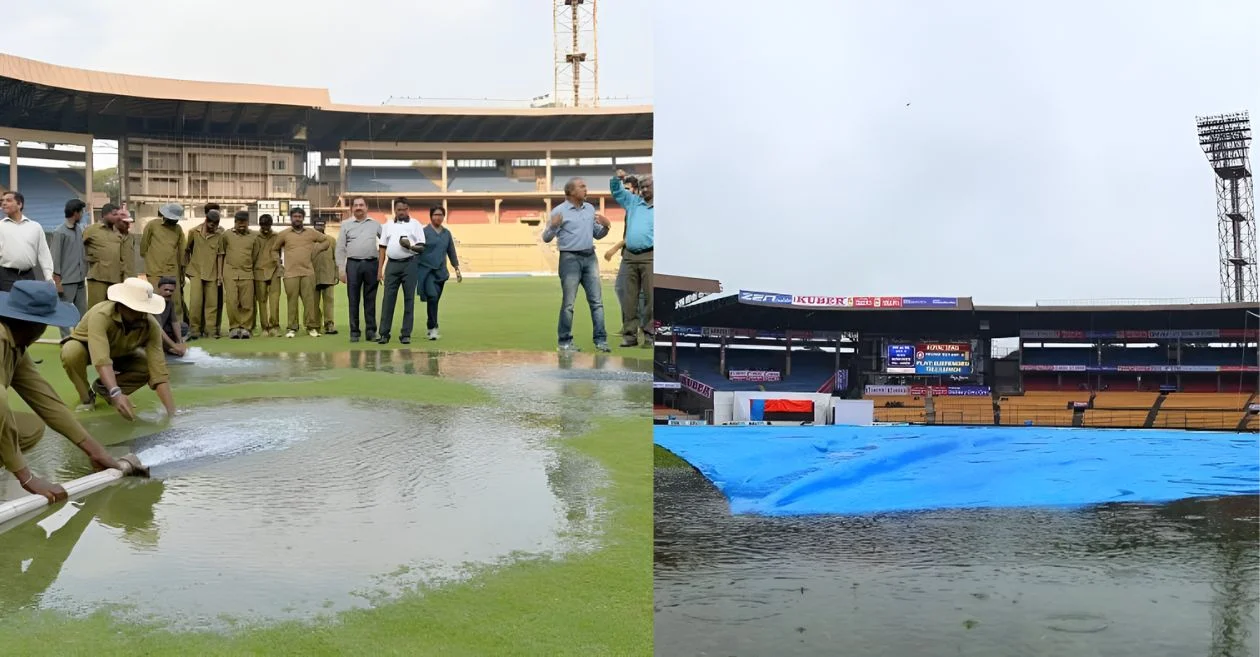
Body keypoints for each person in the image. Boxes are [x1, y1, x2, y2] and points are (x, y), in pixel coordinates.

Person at [0, 280, 126, 502]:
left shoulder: (16, 343)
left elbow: (45, 399)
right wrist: (27, 477)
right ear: (34, 325)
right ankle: (15, 465)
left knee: (29, 429)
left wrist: (95, 450)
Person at [60, 277, 176, 419]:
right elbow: (102, 359)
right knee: (71, 351)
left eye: (144, 309)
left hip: (122, 352)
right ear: (122, 305)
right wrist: (116, 393)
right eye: (136, 309)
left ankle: (104, 389)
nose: (141, 314)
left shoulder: (151, 325)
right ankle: (87, 397)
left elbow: (159, 371)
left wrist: (171, 412)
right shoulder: (101, 315)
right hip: (89, 349)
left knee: (148, 366)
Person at [542, 178, 611, 353]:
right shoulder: (559, 211)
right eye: (582, 187)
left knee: (597, 302)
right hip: (569, 259)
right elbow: (546, 238)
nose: (586, 189)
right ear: (571, 192)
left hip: (590, 257)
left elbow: (597, 234)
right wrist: (553, 226)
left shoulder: (589, 209)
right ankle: (564, 342)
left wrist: (606, 227)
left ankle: (601, 340)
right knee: (568, 304)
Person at [612, 169, 654, 347]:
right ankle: (630, 335)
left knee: (652, 298)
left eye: (647, 186)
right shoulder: (633, 202)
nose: (644, 190)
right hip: (629, 256)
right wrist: (617, 179)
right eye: (641, 187)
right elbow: (616, 191)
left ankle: (650, 335)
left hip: (651, 256)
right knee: (629, 298)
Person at [273, 207, 330, 338]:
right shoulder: (284, 234)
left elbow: (326, 241)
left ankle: (311, 327)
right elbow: (274, 249)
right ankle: (292, 328)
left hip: (307, 272)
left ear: (303, 218)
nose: (297, 219)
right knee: (291, 301)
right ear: (291, 218)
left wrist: (317, 250)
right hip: (290, 273)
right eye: (295, 216)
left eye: (299, 216)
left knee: (309, 301)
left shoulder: (311, 232)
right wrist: (278, 263)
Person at [376, 197, 425, 345]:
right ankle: (384, 334)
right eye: (399, 210)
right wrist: (380, 270)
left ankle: (406, 334)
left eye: (404, 209)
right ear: (395, 210)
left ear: (408, 209)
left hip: (410, 264)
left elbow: (422, 247)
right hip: (392, 265)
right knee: (388, 300)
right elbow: (382, 248)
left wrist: (409, 246)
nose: (402, 212)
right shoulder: (387, 226)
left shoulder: (415, 224)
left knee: (409, 300)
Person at [335, 197, 381, 343]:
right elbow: (340, 248)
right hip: (353, 265)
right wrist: (341, 270)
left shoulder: (375, 224)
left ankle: (371, 331)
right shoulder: (346, 225)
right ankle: (354, 332)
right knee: (353, 300)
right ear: (352, 208)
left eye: (361, 205)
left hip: (371, 264)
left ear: (367, 207)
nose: (358, 207)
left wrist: (382, 267)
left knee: (370, 300)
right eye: (356, 205)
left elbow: (385, 243)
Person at [416, 206, 462, 341]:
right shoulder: (424, 232)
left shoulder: (447, 233)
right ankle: (433, 328)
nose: (438, 217)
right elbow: (417, 249)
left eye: (441, 215)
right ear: (431, 216)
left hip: (441, 273)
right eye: (436, 214)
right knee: (433, 297)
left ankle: (431, 326)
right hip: (426, 271)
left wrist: (456, 268)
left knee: (434, 301)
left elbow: (451, 251)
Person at [140, 203, 187, 326]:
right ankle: (155, 329)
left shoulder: (178, 229)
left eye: (176, 218)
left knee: (176, 302)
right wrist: (151, 263)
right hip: (154, 270)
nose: (174, 220)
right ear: (165, 215)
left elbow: (182, 252)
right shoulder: (152, 225)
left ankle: (179, 329)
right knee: (155, 300)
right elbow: (143, 246)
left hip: (172, 270)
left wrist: (182, 273)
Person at [49, 199, 89, 338]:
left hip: (79, 279)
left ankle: (80, 337)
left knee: (82, 313)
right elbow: (55, 259)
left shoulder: (79, 229)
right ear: (75, 213)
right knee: (64, 312)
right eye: (81, 211)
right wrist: (57, 282)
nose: (83, 214)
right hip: (66, 281)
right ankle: (65, 338)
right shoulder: (60, 232)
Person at [0, 191, 54, 291]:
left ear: (19, 204)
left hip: (28, 276)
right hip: (5, 277)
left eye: (8, 200)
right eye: (2, 201)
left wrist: (49, 277)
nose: (4, 203)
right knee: (7, 306)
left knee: (27, 306)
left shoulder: (35, 227)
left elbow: (44, 253)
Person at [219, 211, 260, 339]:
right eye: (239, 222)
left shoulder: (254, 236)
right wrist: (220, 274)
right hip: (230, 273)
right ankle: (234, 327)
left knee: (247, 303)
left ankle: (246, 328)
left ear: (248, 222)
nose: (241, 225)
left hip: (247, 273)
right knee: (232, 302)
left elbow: (256, 254)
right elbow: (222, 253)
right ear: (235, 222)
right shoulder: (226, 235)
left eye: (244, 222)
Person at [184, 209, 224, 339]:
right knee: (196, 302)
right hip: (195, 271)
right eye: (212, 224)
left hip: (212, 273)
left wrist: (219, 276)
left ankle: (211, 330)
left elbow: (220, 256)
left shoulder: (220, 234)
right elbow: (187, 250)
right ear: (206, 221)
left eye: (217, 224)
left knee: (211, 303)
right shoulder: (193, 232)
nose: (215, 227)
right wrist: (187, 268)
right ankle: (195, 330)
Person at [82, 203, 125, 307]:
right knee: (95, 310)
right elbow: (78, 248)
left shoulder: (119, 232)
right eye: (114, 214)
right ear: (105, 215)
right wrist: (89, 257)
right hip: (98, 278)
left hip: (116, 279)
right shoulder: (91, 230)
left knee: (114, 311)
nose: (117, 218)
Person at [253, 214, 283, 337]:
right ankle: (265, 327)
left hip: (274, 270)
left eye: (267, 224)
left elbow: (279, 253)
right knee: (262, 301)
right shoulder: (255, 237)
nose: (265, 227)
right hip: (259, 271)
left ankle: (275, 326)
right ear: (259, 224)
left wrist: (280, 266)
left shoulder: (277, 236)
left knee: (275, 300)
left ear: (271, 224)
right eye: (263, 224)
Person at [311, 218, 339, 335]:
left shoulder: (331, 240)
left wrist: (336, 274)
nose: (320, 227)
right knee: (313, 302)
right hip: (313, 275)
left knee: (329, 302)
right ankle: (315, 325)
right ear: (314, 226)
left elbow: (335, 258)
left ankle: (329, 325)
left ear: (325, 226)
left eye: (322, 225)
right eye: (318, 225)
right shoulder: (309, 241)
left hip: (328, 275)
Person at [153, 276, 188, 356]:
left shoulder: (170, 303)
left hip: (163, 328)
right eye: (166, 290)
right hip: (153, 330)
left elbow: (174, 322)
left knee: (183, 327)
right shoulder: (153, 303)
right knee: (155, 335)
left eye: (171, 291)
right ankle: (165, 348)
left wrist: (179, 342)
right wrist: (174, 346)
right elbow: (158, 329)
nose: (168, 292)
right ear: (159, 289)